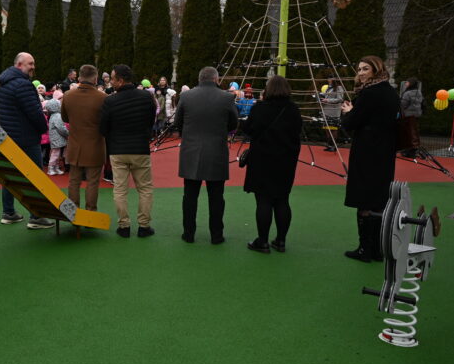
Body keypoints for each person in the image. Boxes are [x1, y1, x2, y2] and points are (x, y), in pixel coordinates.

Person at [340, 55, 400, 262]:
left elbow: (351, 122)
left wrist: (349, 112)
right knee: (378, 201)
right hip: (385, 152)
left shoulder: (370, 94)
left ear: (376, 69)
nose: (361, 73)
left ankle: (365, 248)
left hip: (367, 152)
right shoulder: (391, 92)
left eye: (365, 69)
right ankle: (376, 248)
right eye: (359, 69)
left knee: (364, 200)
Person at [173, 66, 238, 244]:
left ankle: (188, 233)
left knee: (190, 196)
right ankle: (216, 235)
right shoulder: (227, 97)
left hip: (191, 152)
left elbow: (178, 122)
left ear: (199, 78)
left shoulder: (186, 96)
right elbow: (234, 123)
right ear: (216, 79)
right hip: (216, 151)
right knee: (216, 197)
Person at [241, 75, 302, 252]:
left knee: (263, 199)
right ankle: (281, 240)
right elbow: (298, 131)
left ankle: (263, 240)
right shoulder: (293, 109)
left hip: (262, 158)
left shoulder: (261, 108)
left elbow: (248, 129)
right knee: (282, 199)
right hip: (286, 160)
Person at [0, 52, 54, 229]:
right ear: (19, 65)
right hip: (26, 137)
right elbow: (34, 113)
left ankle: (8, 212)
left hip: (10, 136)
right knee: (35, 177)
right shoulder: (22, 85)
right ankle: (36, 216)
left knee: (10, 176)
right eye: (30, 64)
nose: (33, 67)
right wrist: (44, 128)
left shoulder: (4, 84)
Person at [99, 64, 157, 237]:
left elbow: (103, 128)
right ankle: (144, 226)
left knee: (120, 189)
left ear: (120, 80)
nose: (110, 81)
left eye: (112, 78)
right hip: (140, 148)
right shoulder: (146, 97)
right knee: (145, 189)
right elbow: (150, 121)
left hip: (118, 150)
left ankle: (124, 226)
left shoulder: (110, 100)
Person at [61, 64, 106, 211]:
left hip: (75, 145)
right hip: (95, 145)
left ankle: (73, 213)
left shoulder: (68, 95)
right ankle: (90, 213)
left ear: (79, 77)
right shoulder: (103, 98)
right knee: (93, 182)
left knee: (74, 181)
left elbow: (65, 118)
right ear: (95, 78)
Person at [397, 77, 423, 158]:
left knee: (408, 133)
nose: (406, 84)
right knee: (414, 132)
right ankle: (413, 150)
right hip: (416, 115)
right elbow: (422, 102)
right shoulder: (419, 92)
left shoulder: (407, 93)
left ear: (410, 83)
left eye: (407, 82)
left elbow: (403, 105)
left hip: (408, 115)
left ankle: (409, 151)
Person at [319, 78, 345, 151]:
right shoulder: (329, 87)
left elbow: (340, 99)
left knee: (333, 128)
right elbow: (326, 96)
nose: (328, 80)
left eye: (330, 78)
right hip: (326, 110)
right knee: (327, 128)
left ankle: (333, 146)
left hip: (334, 111)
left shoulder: (339, 88)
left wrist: (328, 100)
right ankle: (329, 145)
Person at [45, 98, 67, 175]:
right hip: (57, 137)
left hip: (55, 137)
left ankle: (56, 167)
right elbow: (61, 128)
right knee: (55, 154)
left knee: (56, 153)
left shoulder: (53, 115)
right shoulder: (58, 116)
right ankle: (51, 167)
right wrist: (67, 133)